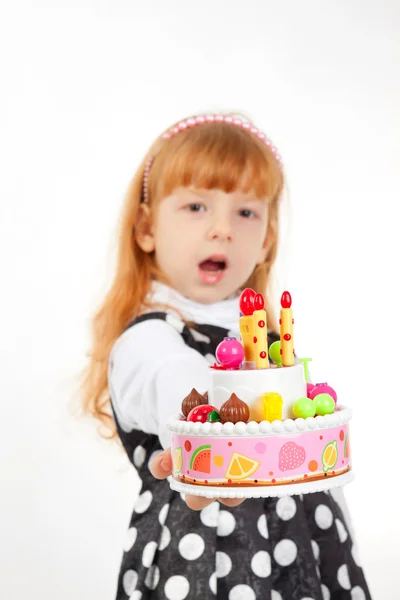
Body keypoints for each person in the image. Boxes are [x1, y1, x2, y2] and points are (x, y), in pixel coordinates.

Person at [81, 113, 372, 600]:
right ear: (147, 228)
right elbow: (171, 380)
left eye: (245, 212)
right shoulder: (147, 339)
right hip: (201, 560)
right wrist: (207, 429)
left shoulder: (266, 339)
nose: (222, 229)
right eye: (196, 206)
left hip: (306, 551)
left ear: (267, 242)